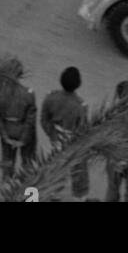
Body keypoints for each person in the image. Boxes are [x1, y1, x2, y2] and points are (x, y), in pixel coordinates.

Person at [41, 67, 90, 200]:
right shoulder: (80, 105)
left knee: (56, 167)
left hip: (56, 138)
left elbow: (44, 119)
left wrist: (52, 135)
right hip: (73, 141)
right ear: (78, 84)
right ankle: (79, 194)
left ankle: (54, 193)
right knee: (79, 168)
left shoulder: (51, 97)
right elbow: (83, 128)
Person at [0, 71, 37, 173]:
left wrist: (5, 137)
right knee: (28, 162)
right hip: (23, 131)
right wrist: (23, 140)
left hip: (7, 130)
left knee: (7, 162)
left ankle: (6, 182)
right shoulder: (28, 94)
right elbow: (30, 121)